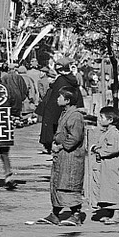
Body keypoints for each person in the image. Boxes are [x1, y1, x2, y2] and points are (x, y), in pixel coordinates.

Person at [33, 88, 87, 226]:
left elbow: (75, 138)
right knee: (57, 184)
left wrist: (61, 146)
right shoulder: (65, 113)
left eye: (60, 97)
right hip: (62, 156)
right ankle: (55, 214)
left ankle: (76, 214)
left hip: (71, 157)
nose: (57, 99)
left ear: (67, 100)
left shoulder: (75, 116)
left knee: (69, 184)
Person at [38, 60, 84, 153]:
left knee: (53, 126)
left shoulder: (61, 80)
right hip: (68, 106)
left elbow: (55, 94)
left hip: (55, 107)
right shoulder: (72, 79)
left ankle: (50, 146)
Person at [90, 106, 119, 223]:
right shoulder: (107, 132)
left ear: (110, 119)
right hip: (106, 166)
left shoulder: (114, 133)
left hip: (113, 166)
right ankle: (110, 212)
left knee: (114, 188)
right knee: (107, 189)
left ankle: (117, 215)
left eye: (102, 117)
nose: (100, 120)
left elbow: (113, 148)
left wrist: (99, 151)